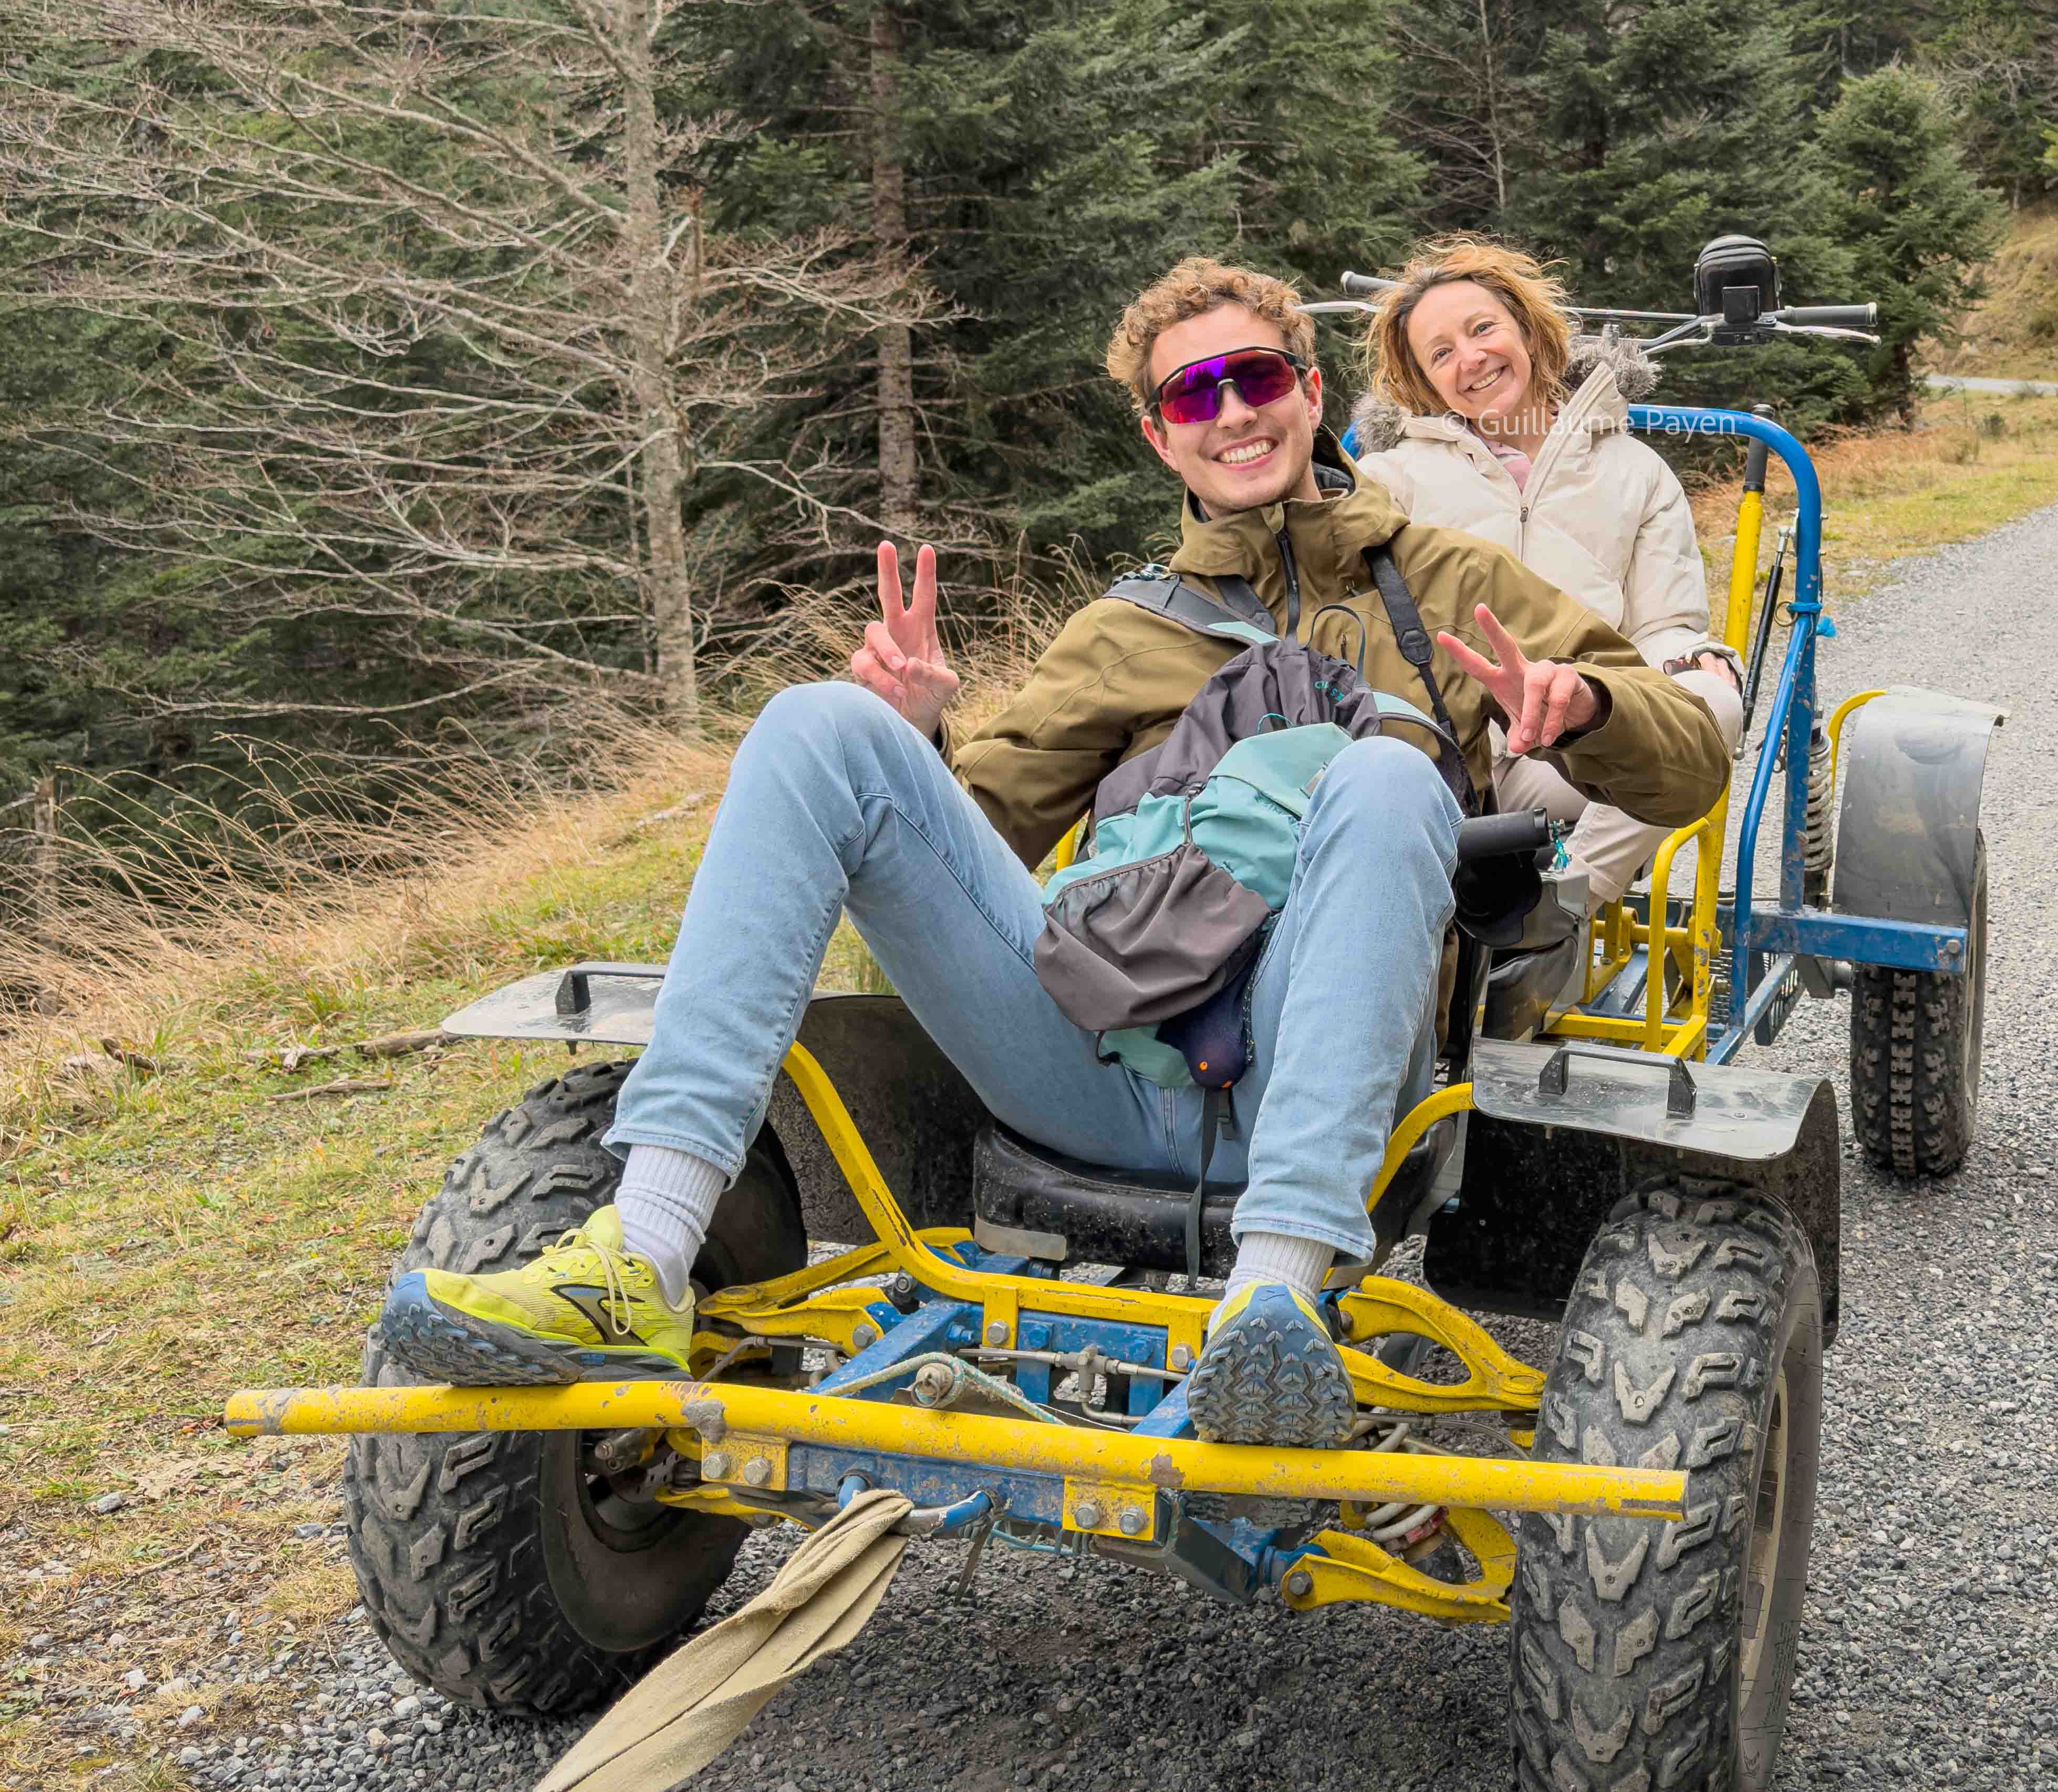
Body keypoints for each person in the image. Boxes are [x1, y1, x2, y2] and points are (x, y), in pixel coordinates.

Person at [376, 258, 1732, 1448]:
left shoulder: (1446, 585)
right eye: (1192, 396)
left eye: (1253, 376)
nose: (1232, 411)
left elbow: (1692, 755)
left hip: (1323, 1085)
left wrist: (1590, 706)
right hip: (1093, 1060)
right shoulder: (1122, 630)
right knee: (818, 729)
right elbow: (944, 855)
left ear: (1310, 391)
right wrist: (915, 737)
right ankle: (646, 1256)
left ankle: (1273, 1302)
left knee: (1382, 772)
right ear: (1161, 438)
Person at [1352, 240, 1743, 923]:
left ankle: (1552, 917)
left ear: (1528, 332)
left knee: (1712, 704)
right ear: (1423, 381)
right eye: (1440, 353)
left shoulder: (1635, 470)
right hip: (1440, 752)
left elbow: (1661, 625)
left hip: (1571, 745)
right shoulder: (1393, 478)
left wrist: (1688, 663)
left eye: (1482, 329)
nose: (1470, 359)